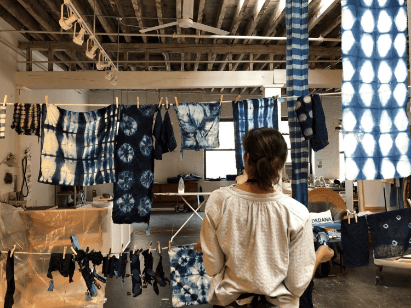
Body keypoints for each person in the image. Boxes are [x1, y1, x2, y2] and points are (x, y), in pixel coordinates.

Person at [200, 127, 316, 308]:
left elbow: (213, 266)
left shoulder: (219, 201)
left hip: (231, 303)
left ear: (246, 159)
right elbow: (296, 284)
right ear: (281, 164)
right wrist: (320, 255)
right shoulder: (297, 213)